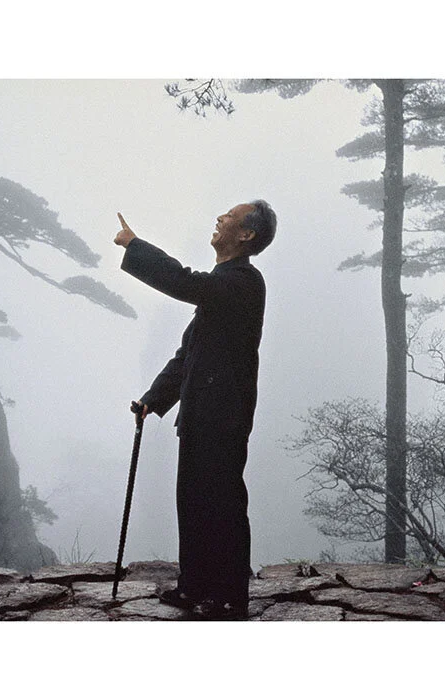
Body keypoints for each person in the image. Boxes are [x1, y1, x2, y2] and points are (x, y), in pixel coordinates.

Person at [113, 201, 276, 620]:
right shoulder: (223, 286)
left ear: (245, 235)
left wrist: (135, 246)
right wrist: (153, 398)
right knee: (194, 501)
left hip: (224, 415)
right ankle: (195, 587)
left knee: (221, 505)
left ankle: (229, 597)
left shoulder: (243, 282)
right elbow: (189, 354)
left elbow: (183, 281)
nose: (219, 218)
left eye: (229, 216)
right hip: (203, 413)